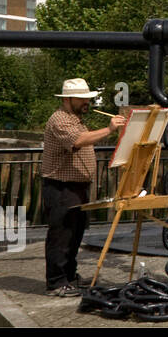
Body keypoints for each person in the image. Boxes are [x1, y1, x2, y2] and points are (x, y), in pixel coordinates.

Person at [40, 78, 125, 297]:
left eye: (88, 98)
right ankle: (56, 282)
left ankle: (69, 276)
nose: (87, 102)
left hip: (76, 187)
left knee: (75, 234)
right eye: (82, 99)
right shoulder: (59, 119)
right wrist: (109, 130)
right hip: (61, 187)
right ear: (68, 99)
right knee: (61, 235)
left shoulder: (76, 119)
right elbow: (78, 140)